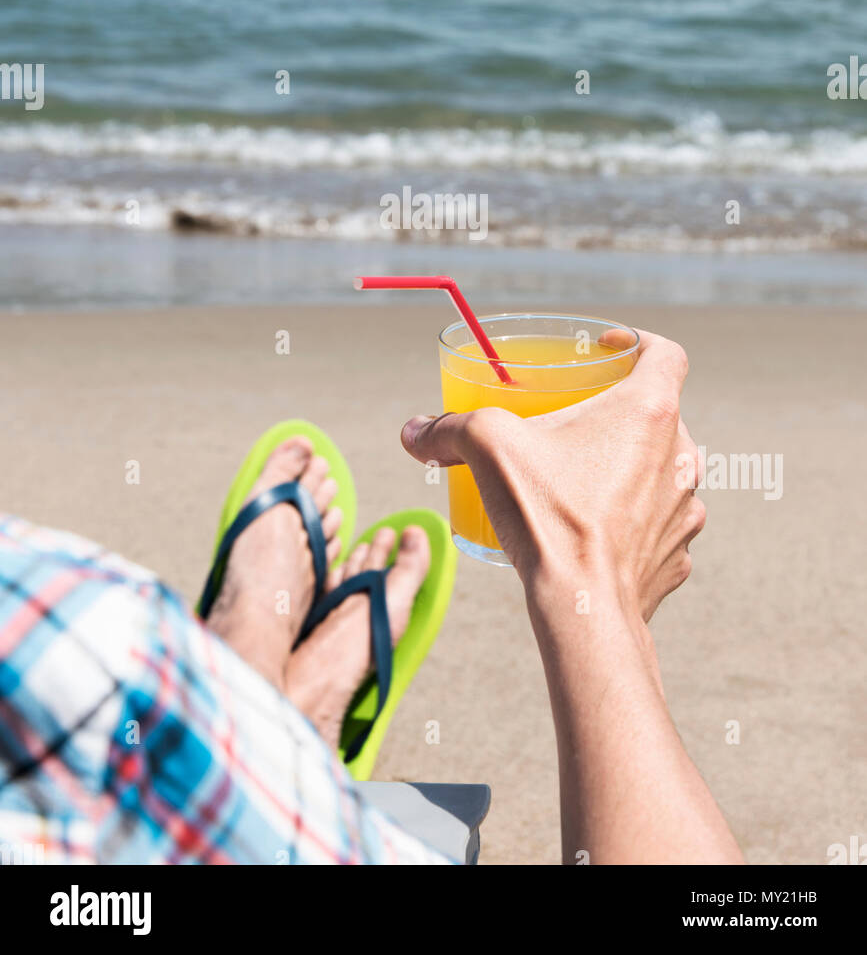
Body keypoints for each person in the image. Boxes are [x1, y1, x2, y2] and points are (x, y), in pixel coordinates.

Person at [0, 328, 742, 865]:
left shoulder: (57, 609)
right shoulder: (70, 620)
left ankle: (252, 670)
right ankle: (280, 707)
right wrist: (593, 586)